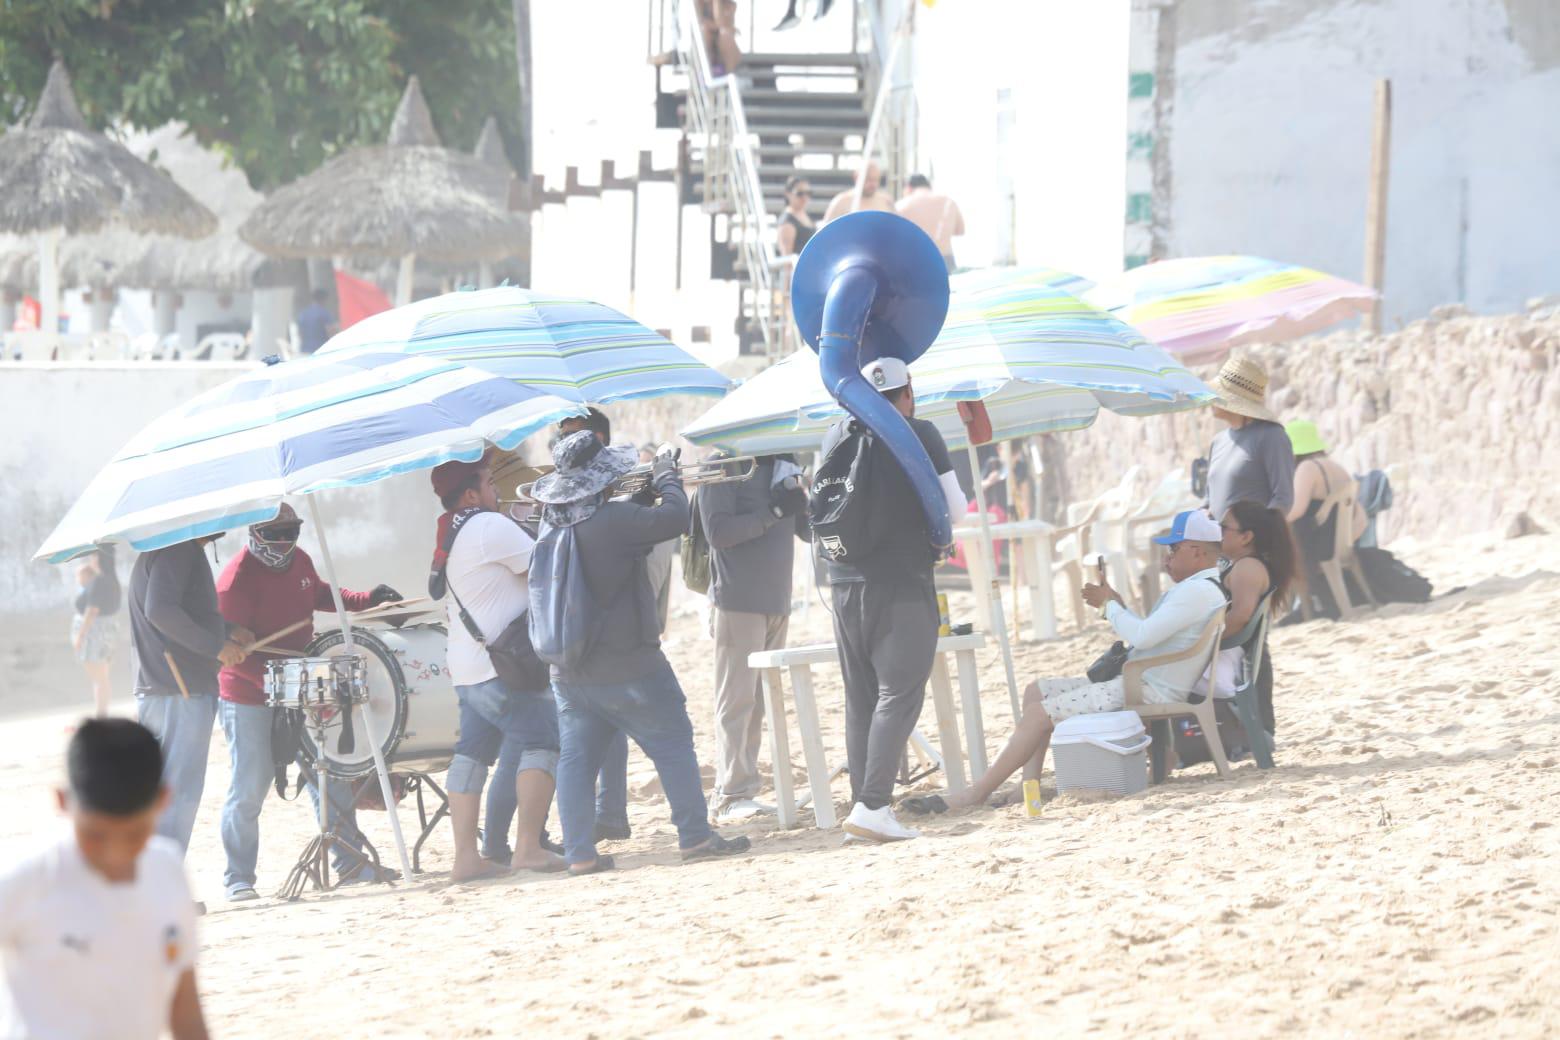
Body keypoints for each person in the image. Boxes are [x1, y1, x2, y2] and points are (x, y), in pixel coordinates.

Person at [905, 510, 1228, 815]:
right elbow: (1153, 636)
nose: (1167, 558)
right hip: (1139, 681)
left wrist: (1110, 608)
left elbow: (1142, 638)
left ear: (1196, 551)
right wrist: (1116, 606)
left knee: (1038, 713)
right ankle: (1025, 788)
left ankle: (977, 793)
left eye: (1173, 550)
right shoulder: (1199, 590)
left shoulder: (1196, 592)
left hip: (1146, 688)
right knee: (1037, 691)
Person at [530, 432, 751, 873]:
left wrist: (646, 491)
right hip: (629, 663)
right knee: (672, 740)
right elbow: (675, 519)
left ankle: (580, 854)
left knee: (577, 760)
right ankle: (695, 836)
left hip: (570, 670)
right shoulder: (612, 521)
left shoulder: (552, 522)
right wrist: (667, 475)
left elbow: (642, 522)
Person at [213, 503, 401, 901]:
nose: (283, 542)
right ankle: (238, 878)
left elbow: (318, 592)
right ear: (255, 533)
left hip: (300, 685)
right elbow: (229, 655)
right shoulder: (235, 583)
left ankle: (348, 863)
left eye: (291, 532)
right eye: (274, 534)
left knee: (327, 774)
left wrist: (366, 599)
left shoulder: (300, 560)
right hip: (247, 695)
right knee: (250, 786)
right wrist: (281, 683)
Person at [820, 358, 966, 842]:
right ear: (909, 392)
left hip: (843, 583)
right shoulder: (918, 432)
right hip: (901, 579)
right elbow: (956, 507)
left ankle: (863, 805)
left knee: (861, 698)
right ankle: (874, 806)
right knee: (899, 694)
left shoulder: (835, 433)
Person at [0, 719, 209, 1039]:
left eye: (135, 834)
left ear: (162, 801)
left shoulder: (166, 870)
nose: (115, 853)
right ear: (62, 801)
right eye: (95, 836)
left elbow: (185, 1011)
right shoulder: (25, 880)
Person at [430, 457, 564, 881]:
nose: (497, 490)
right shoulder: (489, 526)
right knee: (544, 740)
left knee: (472, 753)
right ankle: (528, 848)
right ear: (471, 493)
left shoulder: (453, 531)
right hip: (501, 668)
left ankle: (467, 858)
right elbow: (548, 567)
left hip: (468, 666)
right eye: (489, 483)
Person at [699, 453, 809, 823]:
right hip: (738, 599)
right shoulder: (723, 463)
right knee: (736, 700)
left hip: (777, 599)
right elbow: (718, 532)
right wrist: (773, 513)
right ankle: (729, 794)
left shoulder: (783, 462)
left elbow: (807, 530)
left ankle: (744, 789)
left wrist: (801, 497)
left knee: (759, 701)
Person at [129, 537, 250, 855]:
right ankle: (160, 887)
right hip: (179, 689)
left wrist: (225, 630)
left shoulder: (161, 549)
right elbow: (161, 611)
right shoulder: (177, 548)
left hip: (162, 688)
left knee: (159, 792)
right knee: (178, 792)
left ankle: (148, 885)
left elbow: (176, 610)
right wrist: (216, 646)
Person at [553, 408, 633, 845]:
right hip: (573, 628)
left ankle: (606, 816)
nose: (563, 444)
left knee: (608, 727)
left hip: (611, 626)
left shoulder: (622, 491)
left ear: (599, 438)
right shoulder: (558, 489)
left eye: (574, 436)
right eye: (561, 435)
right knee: (587, 735)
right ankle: (596, 824)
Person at [1218, 500, 1298, 735]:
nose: (1218, 533)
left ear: (1246, 537)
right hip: (1245, 663)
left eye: (1224, 528)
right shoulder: (1244, 565)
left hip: (1241, 666)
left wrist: (1204, 644)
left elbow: (1241, 615)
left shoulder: (1248, 568)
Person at [1284, 419, 1367, 612]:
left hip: (1320, 547)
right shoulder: (1336, 467)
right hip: (1339, 545)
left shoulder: (1307, 468)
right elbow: (1361, 517)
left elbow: (1297, 510)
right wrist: (1345, 542)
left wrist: (1273, 523)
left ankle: (1296, 610)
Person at [1204, 356, 1295, 521]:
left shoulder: (1271, 437)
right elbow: (1210, 501)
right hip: (1220, 544)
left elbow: (1283, 498)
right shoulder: (1218, 441)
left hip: (1255, 545)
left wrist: (1255, 536)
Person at [71, 547, 120, 716]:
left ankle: (101, 713)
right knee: (102, 676)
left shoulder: (100, 581)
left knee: (99, 677)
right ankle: (101, 711)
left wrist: (80, 635)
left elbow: (92, 610)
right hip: (106, 632)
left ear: (99, 559)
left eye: (94, 556)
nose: (92, 560)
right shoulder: (112, 579)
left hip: (95, 634)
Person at [895, 173, 965, 271]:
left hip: (917, 261)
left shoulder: (901, 205)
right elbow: (960, 231)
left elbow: (895, 238)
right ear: (929, 186)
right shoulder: (948, 202)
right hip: (946, 260)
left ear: (908, 188)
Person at [821, 161, 896, 225]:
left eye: (876, 180)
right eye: (868, 179)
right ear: (856, 177)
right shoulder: (841, 202)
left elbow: (896, 229)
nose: (873, 184)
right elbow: (826, 232)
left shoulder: (886, 201)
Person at [777, 176, 816, 257]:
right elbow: (787, 259)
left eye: (808, 193)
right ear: (788, 194)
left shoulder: (804, 215)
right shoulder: (787, 222)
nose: (805, 197)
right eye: (800, 193)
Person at [294, 288, 337, 355]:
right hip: (321, 350)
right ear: (324, 299)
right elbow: (331, 332)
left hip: (305, 350)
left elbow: (299, 333)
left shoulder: (303, 313)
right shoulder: (324, 313)